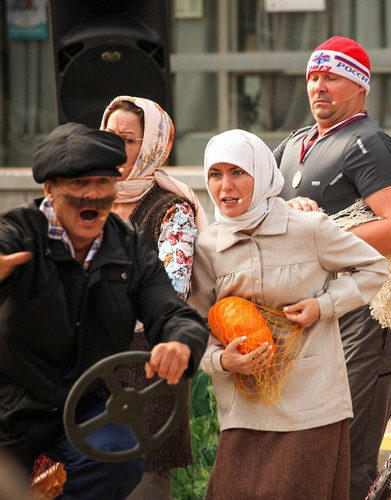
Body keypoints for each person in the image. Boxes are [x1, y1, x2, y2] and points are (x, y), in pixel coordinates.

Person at [0, 123, 208, 499]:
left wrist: (181, 343)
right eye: (78, 184)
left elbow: (172, 311)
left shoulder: (127, 245)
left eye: (103, 182)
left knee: (118, 455)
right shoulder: (19, 231)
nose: (93, 195)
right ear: (50, 190)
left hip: (86, 403)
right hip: (11, 404)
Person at [187, 129, 388, 499]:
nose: (225, 186)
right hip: (244, 411)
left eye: (238, 173)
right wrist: (220, 360)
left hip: (311, 406)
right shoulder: (209, 245)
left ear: (261, 174)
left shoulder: (309, 227)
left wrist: (323, 306)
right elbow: (192, 323)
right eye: (215, 174)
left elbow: (374, 269)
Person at [273, 36, 391, 499]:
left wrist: (320, 237)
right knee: (313, 448)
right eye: (313, 77)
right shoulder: (293, 143)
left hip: (368, 312)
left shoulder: (369, 143)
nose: (318, 86)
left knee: (350, 455)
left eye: (331, 77)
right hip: (313, 311)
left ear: (358, 86)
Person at [100, 95, 208, 499]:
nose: (114, 147)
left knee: (140, 484)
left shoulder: (171, 209)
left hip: (145, 374)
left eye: (127, 140)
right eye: (108, 135)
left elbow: (170, 293)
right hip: (88, 373)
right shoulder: (87, 198)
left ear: (151, 148)